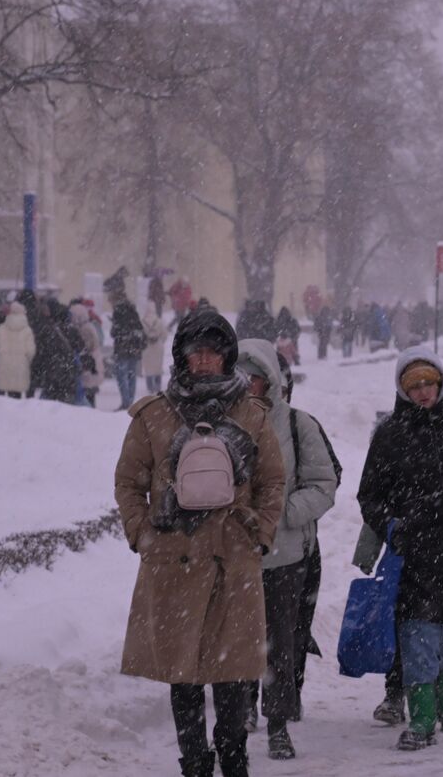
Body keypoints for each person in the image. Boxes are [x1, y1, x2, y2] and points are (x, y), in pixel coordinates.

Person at [113, 309, 285, 777]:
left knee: (231, 674)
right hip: (174, 560)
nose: (204, 361)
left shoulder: (252, 414)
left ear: (227, 357)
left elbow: (273, 481)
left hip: (234, 560)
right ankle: (193, 762)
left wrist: (260, 532)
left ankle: (233, 758)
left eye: (213, 352)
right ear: (182, 357)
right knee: (182, 674)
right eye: (196, 352)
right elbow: (129, 482)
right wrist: (143, 535)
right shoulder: (154, 415)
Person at [359, 349, 443, 750]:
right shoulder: (389, 435)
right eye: (413, 386)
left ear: (442, 383)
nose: (422, 392)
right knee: (416, 636)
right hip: (412, 554)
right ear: (402, 389)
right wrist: (392, 527)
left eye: (428, 383)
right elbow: (370, 494)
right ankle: (423, 718)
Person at [234, 340, 337, 760]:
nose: (246, 387)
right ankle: (240, 711)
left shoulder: (297, 424)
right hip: (237, 555)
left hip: (285, 555)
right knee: (239, 641)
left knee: (280, 642)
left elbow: (323, 484)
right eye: (238, 378)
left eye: (253, 378)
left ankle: (278, 722)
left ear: (270, 381)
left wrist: (280, 514)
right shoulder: (221, 424)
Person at [0, 301, 35, 398]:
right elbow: (30, 351)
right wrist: (26, 360)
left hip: (4, 366)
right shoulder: (27, 330)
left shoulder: (0, 329)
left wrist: (1, 357)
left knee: (1, 399)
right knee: (16, 397)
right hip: (20, 367)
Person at [141, 304, 169, 394]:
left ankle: (150, 387)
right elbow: (165, 334)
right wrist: (160, 341)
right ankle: (158, 386)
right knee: (158, 367)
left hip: (146, 347)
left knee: (148, 368)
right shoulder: (159, 321)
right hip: (158, 347)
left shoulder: (142, 322)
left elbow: (140, 335)